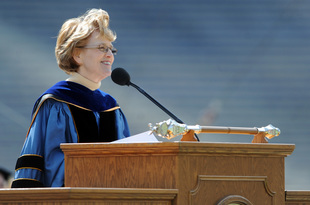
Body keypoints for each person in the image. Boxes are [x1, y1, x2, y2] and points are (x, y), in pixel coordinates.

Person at [11, 8, 130, 188]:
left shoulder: (111, 107)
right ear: (77, 55)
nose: (109, 55)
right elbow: (41, 164)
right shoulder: (56, 102)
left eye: (111, 49)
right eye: (101, 48)